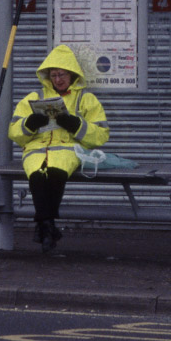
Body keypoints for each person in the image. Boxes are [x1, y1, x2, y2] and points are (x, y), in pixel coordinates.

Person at [9, 44, 109, 252]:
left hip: (67, 149)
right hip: (36, 149)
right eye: (53, 75)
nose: (57, 80)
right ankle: (48, 226)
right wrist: (30, 123)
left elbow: (100, 135)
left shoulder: (85, 99)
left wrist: (74, 124)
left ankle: (42, 226)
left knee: (55, 174)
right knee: (36, 177)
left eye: (61, 74)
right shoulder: (33, 98)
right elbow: (13, 132)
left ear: (72, 74)